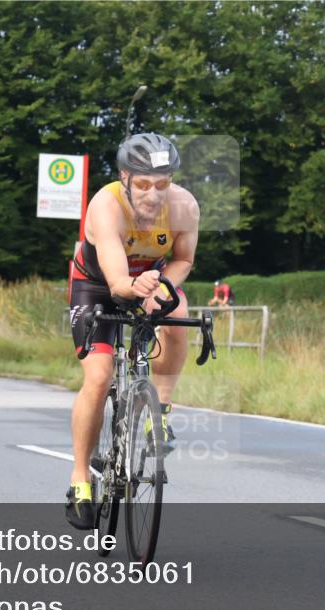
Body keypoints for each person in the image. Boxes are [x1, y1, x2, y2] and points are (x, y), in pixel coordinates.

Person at [66, 132, 199, 529]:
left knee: (179, 313)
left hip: (150, 281)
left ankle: (160, 412)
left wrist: (162, 287)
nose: (153, 194)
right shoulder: (105, 206)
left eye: (162, 183)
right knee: (99, 376)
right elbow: (117, 280)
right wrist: (134, 287)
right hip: (98, 285)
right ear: (124, 177)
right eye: (143, 184)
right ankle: (79, 479)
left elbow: (183, 259)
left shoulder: (184, 206)